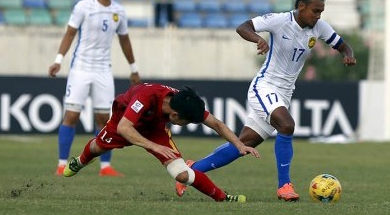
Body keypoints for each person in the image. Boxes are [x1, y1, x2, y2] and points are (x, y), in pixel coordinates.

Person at [175, 0, 357, 201]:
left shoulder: (319, 27)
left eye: (321, 12)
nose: (318, 16)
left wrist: (348, 54)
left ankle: (192, 170)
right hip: (265, 86)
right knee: (287, 125)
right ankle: (284, 186)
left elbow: (342, 45)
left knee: (244, 143)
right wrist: (258, 39)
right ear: (301, 6)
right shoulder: (280, 21)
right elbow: (243, 27)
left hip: (285, 93)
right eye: (315, 11)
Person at [63, 84, 260, 203]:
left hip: (155, 129)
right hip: (123, 121)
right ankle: (79, 161)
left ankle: (223, 198)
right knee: (97, 147)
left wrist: (239, 145)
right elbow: (125, 128)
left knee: (182, 174)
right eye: (186, 122)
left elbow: (216, 123)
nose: (186, 125)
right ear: (174, 115)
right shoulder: (146, 97)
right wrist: (154, 146)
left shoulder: (183, 102)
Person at [48, 0, 141, 177]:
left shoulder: (119, 11)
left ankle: (105, 167)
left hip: (103, 71)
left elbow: (124, 40)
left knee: (105, 119)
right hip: (80, 68)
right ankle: (62, 163)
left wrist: (133, 68)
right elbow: (70, 33)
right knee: (71, 115)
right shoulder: (83, 7)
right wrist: (58, 60)